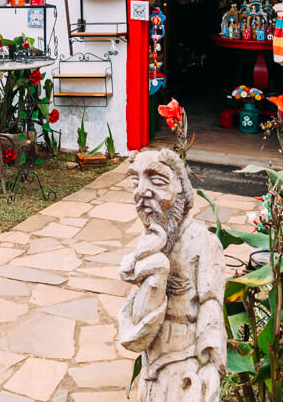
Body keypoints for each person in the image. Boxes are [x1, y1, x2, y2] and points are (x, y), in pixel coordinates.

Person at [119, 148, 226, 401]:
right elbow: (139, 322)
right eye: (136, 182)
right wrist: (151, 264)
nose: (141, 192)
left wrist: (211, 366)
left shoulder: (204, 243)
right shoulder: (152, 242)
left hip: (187, 366)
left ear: (180, 188)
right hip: (152, 366)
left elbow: (211, 304)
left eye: (156, 181)